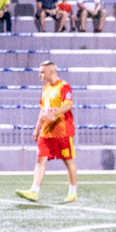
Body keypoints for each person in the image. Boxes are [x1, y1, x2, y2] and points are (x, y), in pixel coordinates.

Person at [16, 60, 78, 205]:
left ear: (51, 71)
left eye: (42, 72)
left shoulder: (64, 86)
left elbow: (68, 105)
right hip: (46, 131)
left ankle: (72, 192)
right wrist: (37, 128)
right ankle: (34, 191)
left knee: (68, 161)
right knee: (40, 159)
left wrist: (53, 114)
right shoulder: (44, 89)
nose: (40, 75)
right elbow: (43, 110)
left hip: (62, 130)